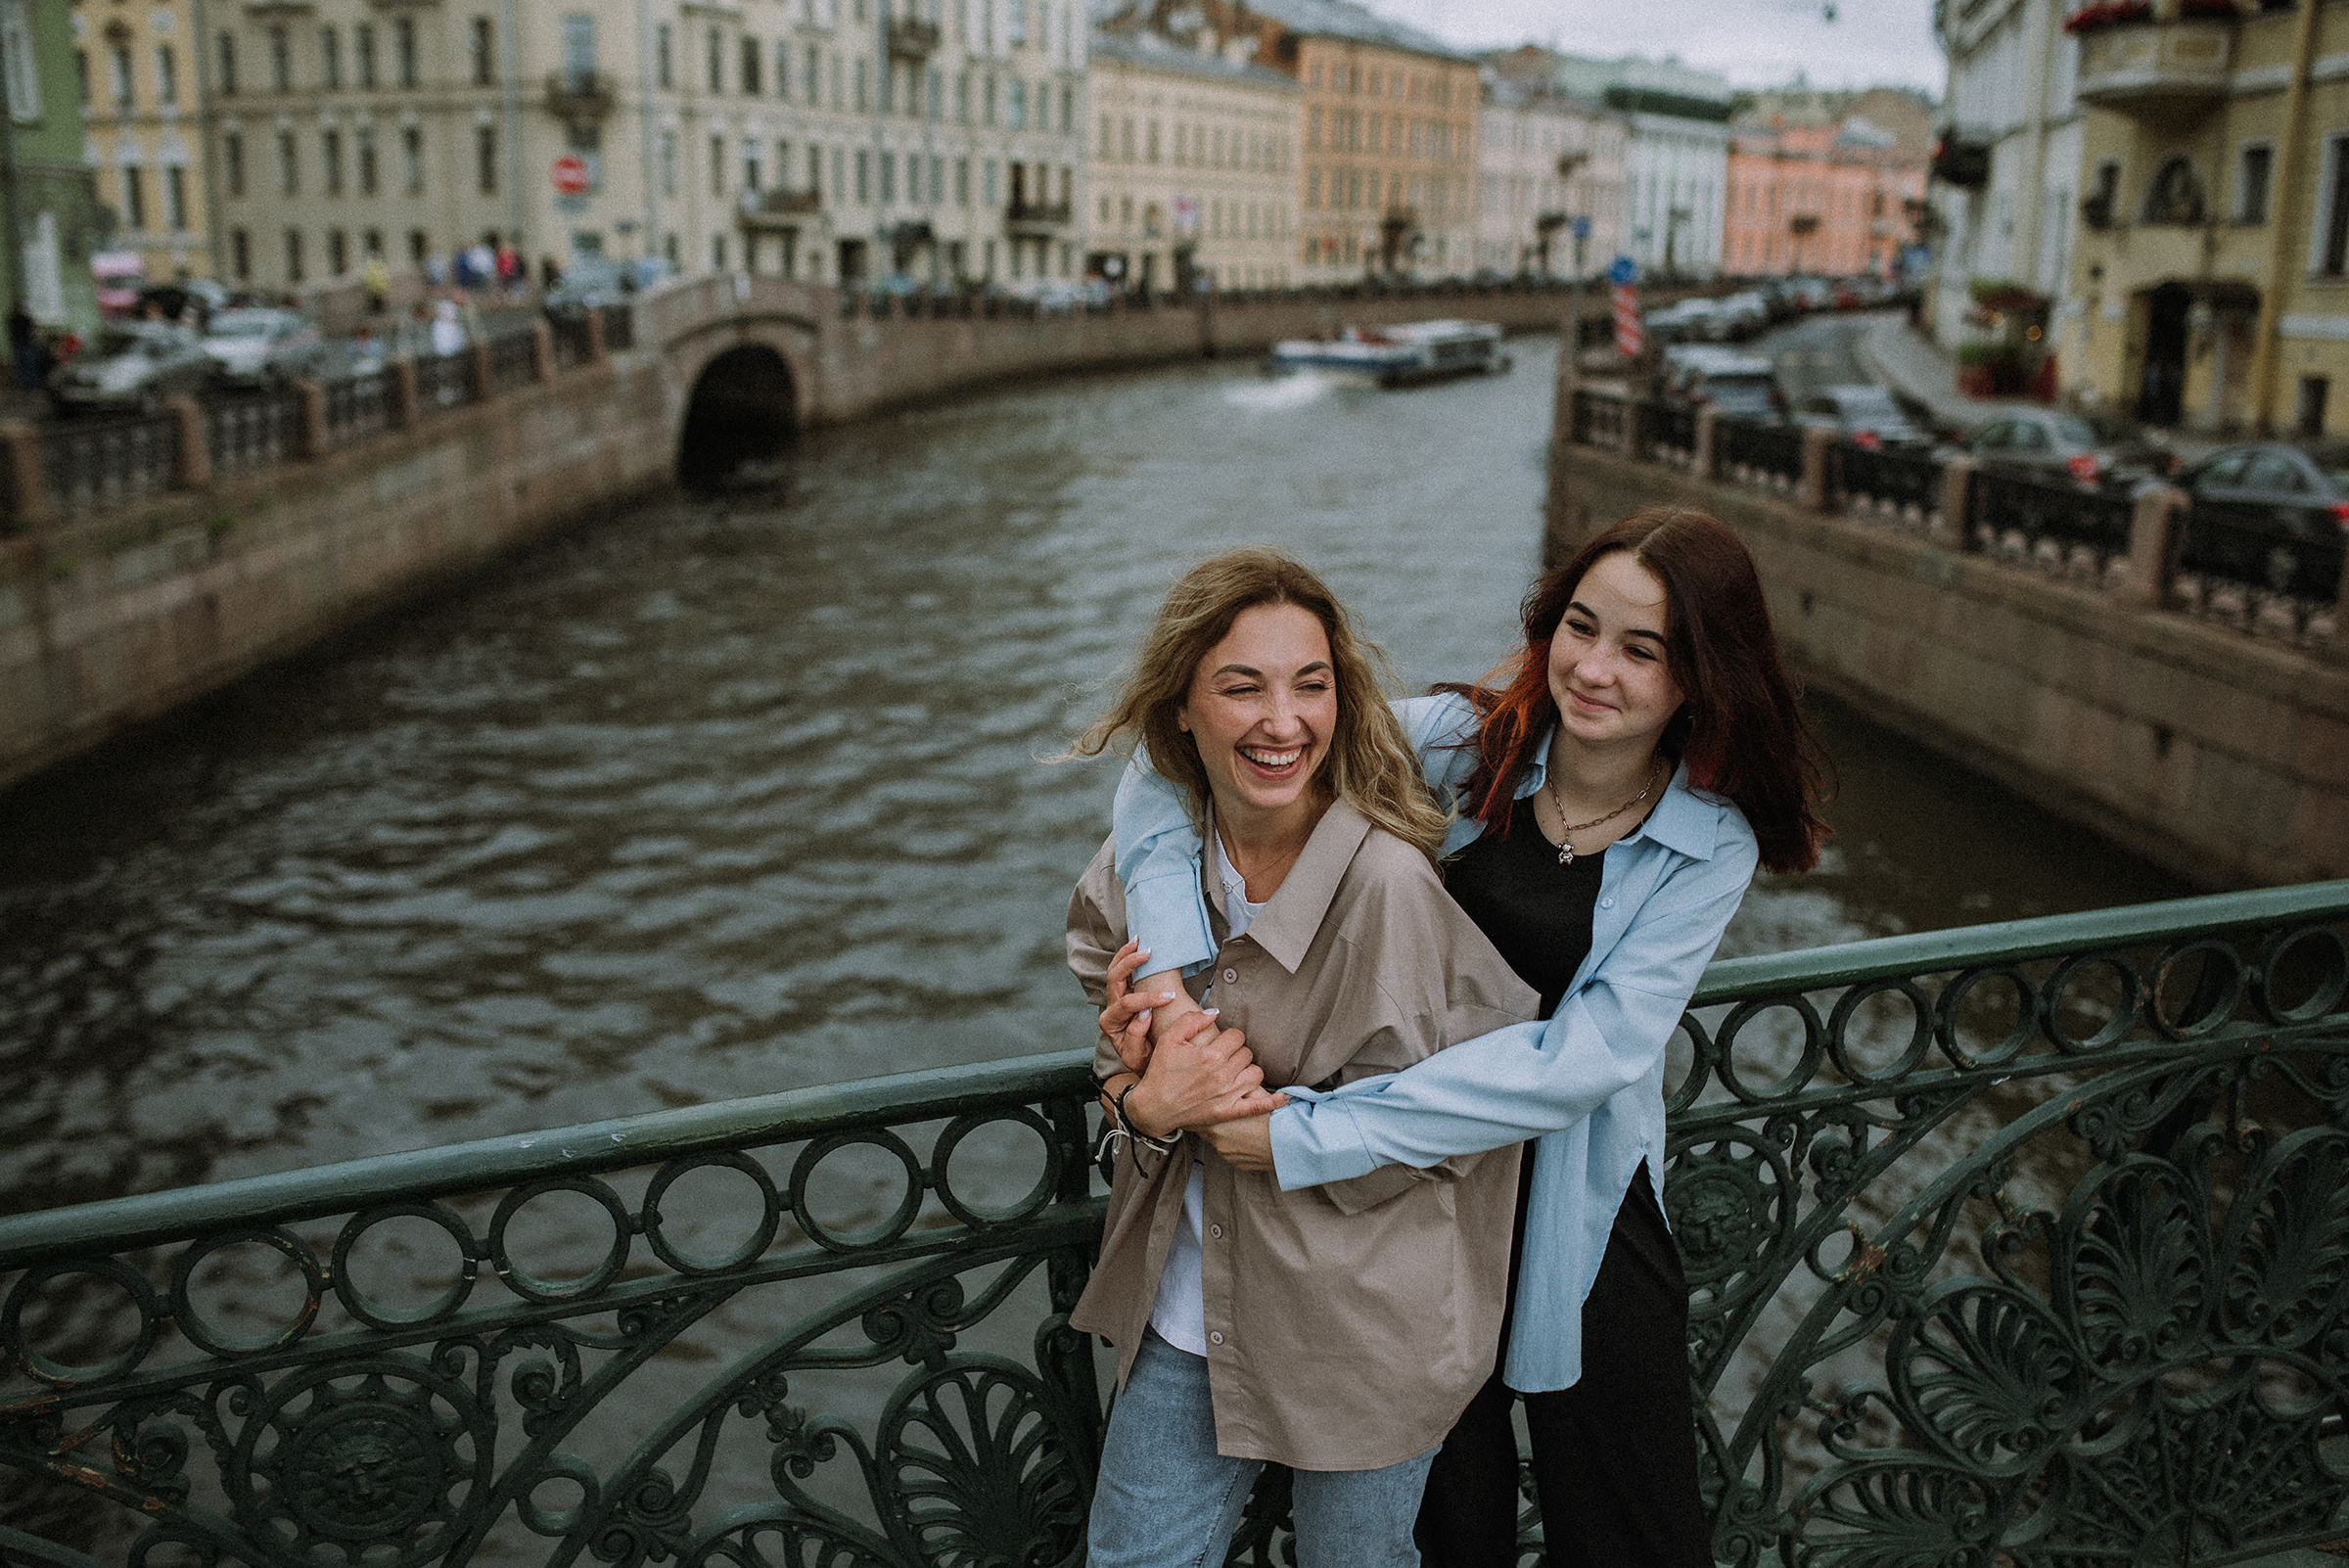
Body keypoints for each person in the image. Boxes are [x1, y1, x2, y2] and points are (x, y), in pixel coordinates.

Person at [1099, 507, 1830, 1568]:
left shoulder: (1706, 843)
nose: (1594, 669)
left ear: (1700, 678)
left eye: (1643, 650)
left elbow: (1585, 1060)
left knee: (1631, 1523)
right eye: (1581, 627)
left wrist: (1310, 1135)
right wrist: (1169, 977)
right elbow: (1176, 758)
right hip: (1407, 1208)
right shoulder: (1464, 743)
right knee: (1453, 1519)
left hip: (1566, 1196)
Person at [1067, 548, 1543, 1568]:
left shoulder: (1387, 889)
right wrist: (1143, 1096)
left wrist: (1271, 1130)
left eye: (1310, 685)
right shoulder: (1147, 867)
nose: (1283, 722)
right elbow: (1109, 1023)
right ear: (1182, 709)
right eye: (1243, 687)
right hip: (1191, 1313)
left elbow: (1461, 1128)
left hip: (1361, 1335)